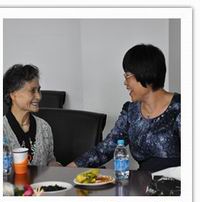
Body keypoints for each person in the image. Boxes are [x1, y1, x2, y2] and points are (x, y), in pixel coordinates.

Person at [68, 44, 180, 172]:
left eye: (127, 76)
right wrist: (69, 169)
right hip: (143, 182)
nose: (125, 83)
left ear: (145, 74)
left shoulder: (179, 108)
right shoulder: (131, 112)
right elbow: (106, 148)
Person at [3, 64, 61, 167]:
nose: (39, 97)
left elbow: (50, 161)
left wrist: (57, 167)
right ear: (13, 94)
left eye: (38, 90)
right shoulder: (1, 131)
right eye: (32, 91)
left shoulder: (44, 127)